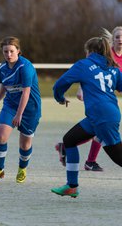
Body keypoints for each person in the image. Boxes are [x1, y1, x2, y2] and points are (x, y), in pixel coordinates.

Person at [51, 37, 122, 198]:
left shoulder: (83, 65)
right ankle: (72, 186)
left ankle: (72, 185)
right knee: (69, 140)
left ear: (89, 51)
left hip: (101, 117)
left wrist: (60, 97)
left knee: (118, 157)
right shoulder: (113, 67)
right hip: (102, 115)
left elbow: (59, 84)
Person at [0, 36, 41, 184]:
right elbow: (4, 85)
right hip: (10, 105)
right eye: (5, 52)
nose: (8, 54)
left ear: (18, 51)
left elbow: (26, 92)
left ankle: (22, 168)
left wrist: (19, 114)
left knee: (24, 145)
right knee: (1, 137)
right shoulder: (2, 67)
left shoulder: (25, 67)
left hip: (30, 109)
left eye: (11, 51)